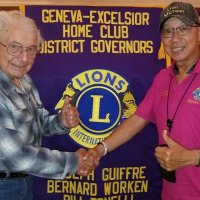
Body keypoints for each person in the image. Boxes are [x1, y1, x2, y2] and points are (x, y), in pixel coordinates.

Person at [85, 2, 200, 200]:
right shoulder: (162, 78)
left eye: (183, 29)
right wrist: (99, 149)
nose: (175, 38)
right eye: (168, 31)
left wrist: (193, 157)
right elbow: (138, 119)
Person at [0, 10, 98, 200]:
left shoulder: (24, 80)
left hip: (23, 182)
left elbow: (39, 123)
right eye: (15, 47)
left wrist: (61, 121)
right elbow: (14, 156)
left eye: (31, 49)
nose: (23, 58)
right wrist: (73, 162)